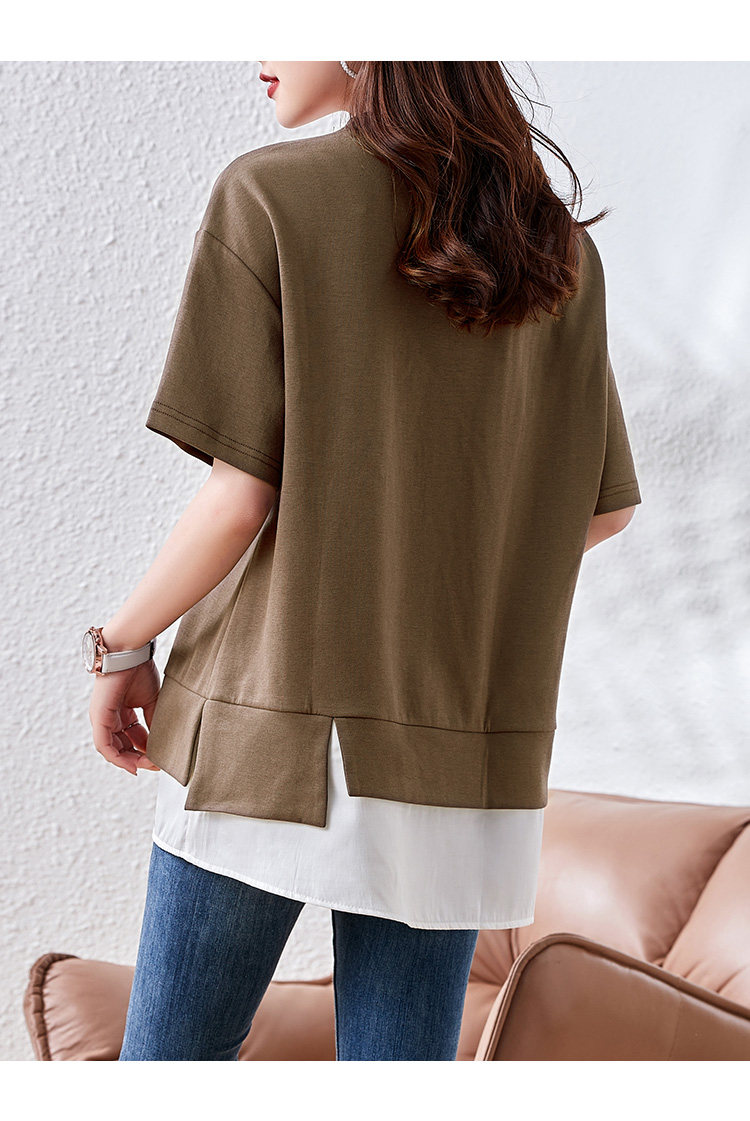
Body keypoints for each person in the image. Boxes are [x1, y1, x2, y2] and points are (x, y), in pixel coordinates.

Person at [83, 61, 642, 1061]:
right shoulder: (551, 247)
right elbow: (601, 512)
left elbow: (240, 496)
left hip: (272, 735)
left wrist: (120, 645)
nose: (258, 47)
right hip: (460, 763)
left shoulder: (271, 195)